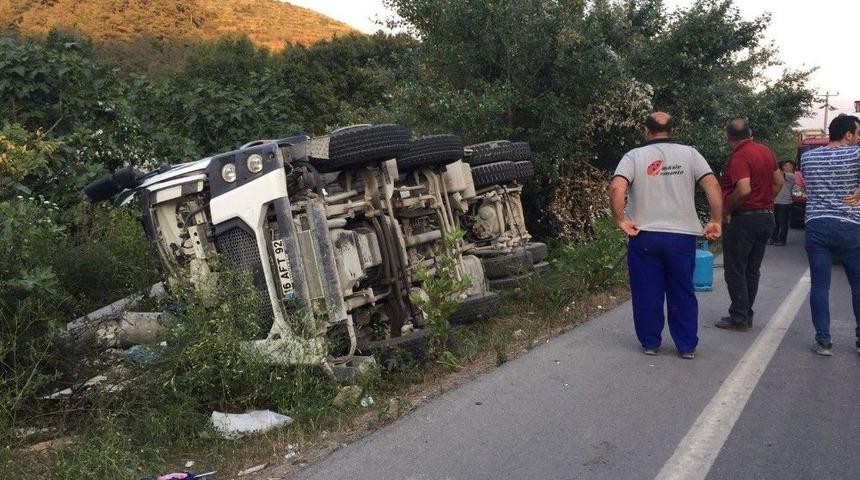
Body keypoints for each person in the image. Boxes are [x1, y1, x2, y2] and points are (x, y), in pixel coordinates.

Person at [610, 112, 722, 359]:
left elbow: (618, 186)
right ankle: (686, 346)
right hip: (681, 237)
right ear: (672, 130)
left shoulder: (633, 156)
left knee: (646, 291)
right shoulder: (690, 154)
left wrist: (621, 219)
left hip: (644, 235)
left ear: (646, 130)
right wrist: (715, 219)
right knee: (682, 290)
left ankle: (650, 343)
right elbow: (711, 184)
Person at [715, 118, 783, 332]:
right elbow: (779, 181)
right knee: (752, 269)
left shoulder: (739, 156)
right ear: (750, 133)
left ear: (727, 136)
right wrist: (765, 201)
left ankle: (739, 317)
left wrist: (726, 210)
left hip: (744, 219)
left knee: (735, 269)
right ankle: (746, 313)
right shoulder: (765, 151)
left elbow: (743, 189)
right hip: (765, 216)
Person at [801, 114, 860, 356]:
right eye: (857, 134)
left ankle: (823, 341)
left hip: (816, 224)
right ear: (848, 134)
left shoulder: (808, 157)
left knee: (819, 285)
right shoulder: (857, 154)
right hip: (850, 224)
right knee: (857, 284)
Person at [769, 160, 796, 246]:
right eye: (785, 165)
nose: (786, 167)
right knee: (775, 222)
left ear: (792, 168)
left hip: (785, 203)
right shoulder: (780, 174)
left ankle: (782, 240)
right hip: (776, 201)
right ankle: (773, 238)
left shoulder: (791, 176)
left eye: (789, 166)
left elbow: (781, 174)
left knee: (783, 223)